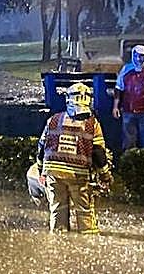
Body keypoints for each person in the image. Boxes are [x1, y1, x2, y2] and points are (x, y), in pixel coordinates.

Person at [36, 82, 110, 234]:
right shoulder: (92, 124)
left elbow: (41, 148)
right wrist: (105, 175)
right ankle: (87, 245)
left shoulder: (53, 120)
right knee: (84, 213)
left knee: (58, 211)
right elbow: (98, 153)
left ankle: (58, 245)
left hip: (53, 173)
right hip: (78, 175)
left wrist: (40, 169)